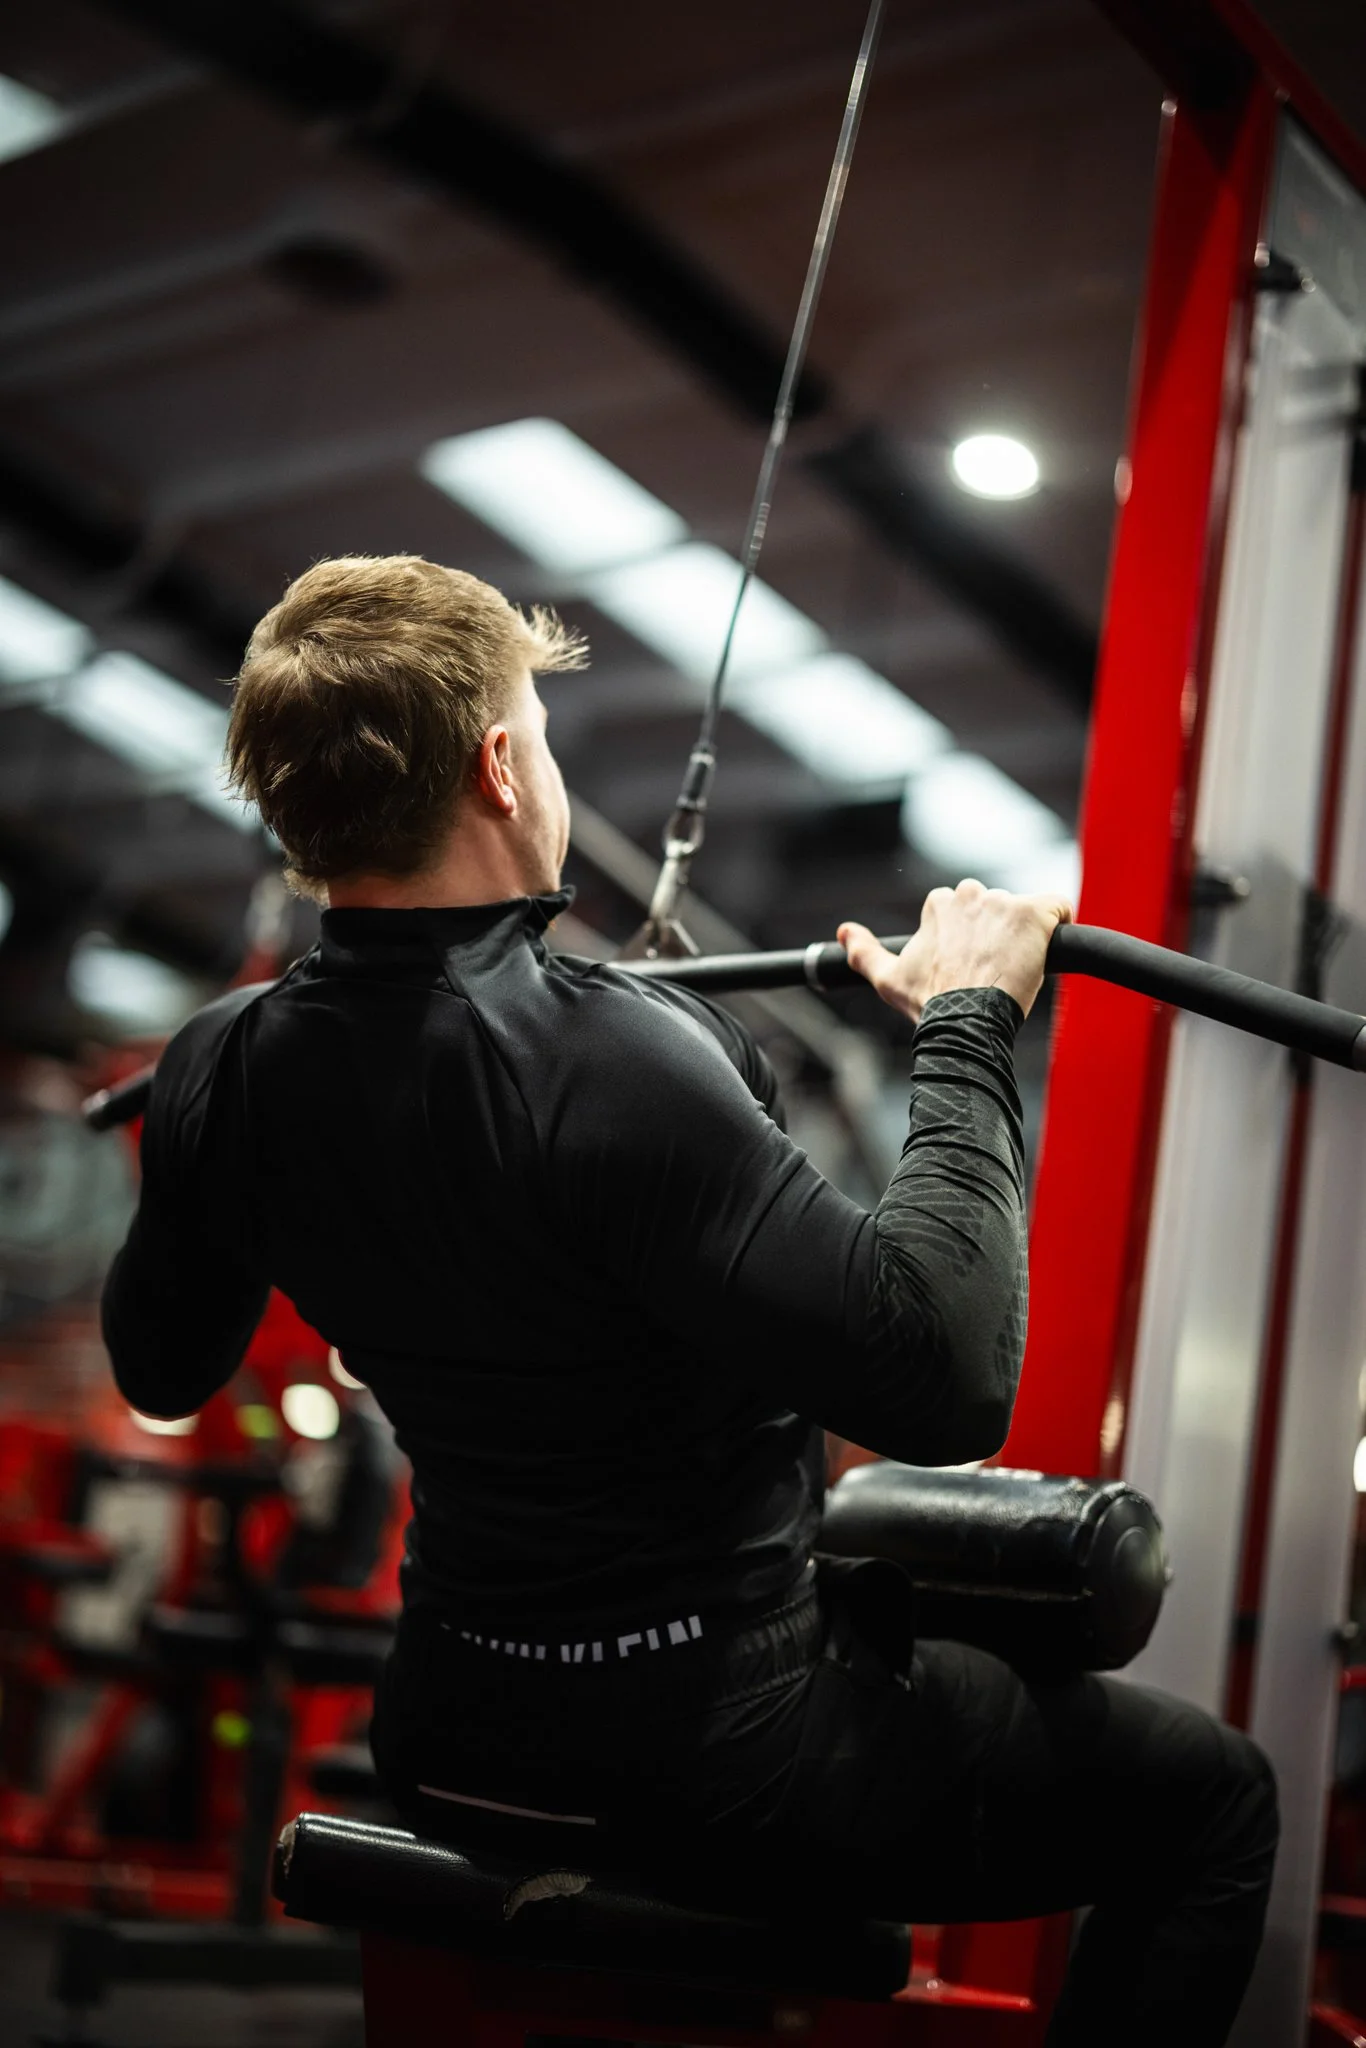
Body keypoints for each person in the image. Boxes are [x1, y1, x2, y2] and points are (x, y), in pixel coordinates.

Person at [102, 554, 1277, 2043]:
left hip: (452, 1728)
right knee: (1215, 1804)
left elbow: (162, 1365)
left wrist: (227, 1165)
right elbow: (940, 1380)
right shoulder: (617, 1062)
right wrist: (972, 1020)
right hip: (726, 1755)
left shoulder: (220, 1065)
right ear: (498, 760)